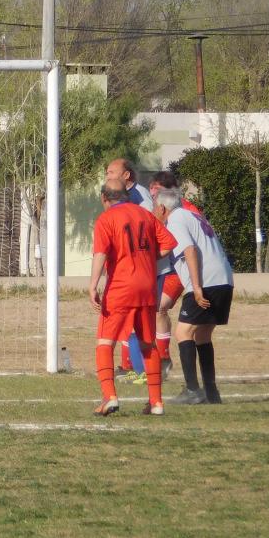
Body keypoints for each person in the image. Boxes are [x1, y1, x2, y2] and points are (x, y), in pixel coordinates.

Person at [89, 183, 176, 416]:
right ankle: (156, 402)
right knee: (148, 344)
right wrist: (146, 258)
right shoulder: (145, 214)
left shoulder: (106, 219)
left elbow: (101, 253)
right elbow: (168, 244)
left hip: (121, 286)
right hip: (147, 286)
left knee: (105, 341)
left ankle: (109, 397)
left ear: (104, 198)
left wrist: (93, 284)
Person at [153, 187, 234, 405]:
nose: (153, 211)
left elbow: (189, 251)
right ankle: (211, 392)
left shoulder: (175, 219)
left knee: (183, 332)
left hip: (206, 281)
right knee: (203, 335)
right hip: (224, 279)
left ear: (162, 208)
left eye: (154, 207)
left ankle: (192, 390)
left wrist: (196, 287)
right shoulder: (192, 216)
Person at [146, 171, 202, 374]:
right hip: (163, 268)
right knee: (153, 310)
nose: (153, 192)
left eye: (156, 188)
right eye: (151, 188)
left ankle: (164, 359)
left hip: (178, 269)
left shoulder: (184, 209)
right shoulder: (155, 208)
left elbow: (195, 236)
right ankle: (158, 359)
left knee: (160, 307)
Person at [105, 158, 155, 380]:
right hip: (129, 270)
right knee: (128, 323)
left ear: (126, 175)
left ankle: (143, 370)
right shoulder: (122, 201)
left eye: (111, 172)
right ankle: (133, 367)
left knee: (139, 325)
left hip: (141, 270)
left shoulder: (140, 197)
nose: (107, 176)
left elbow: (151, 227)